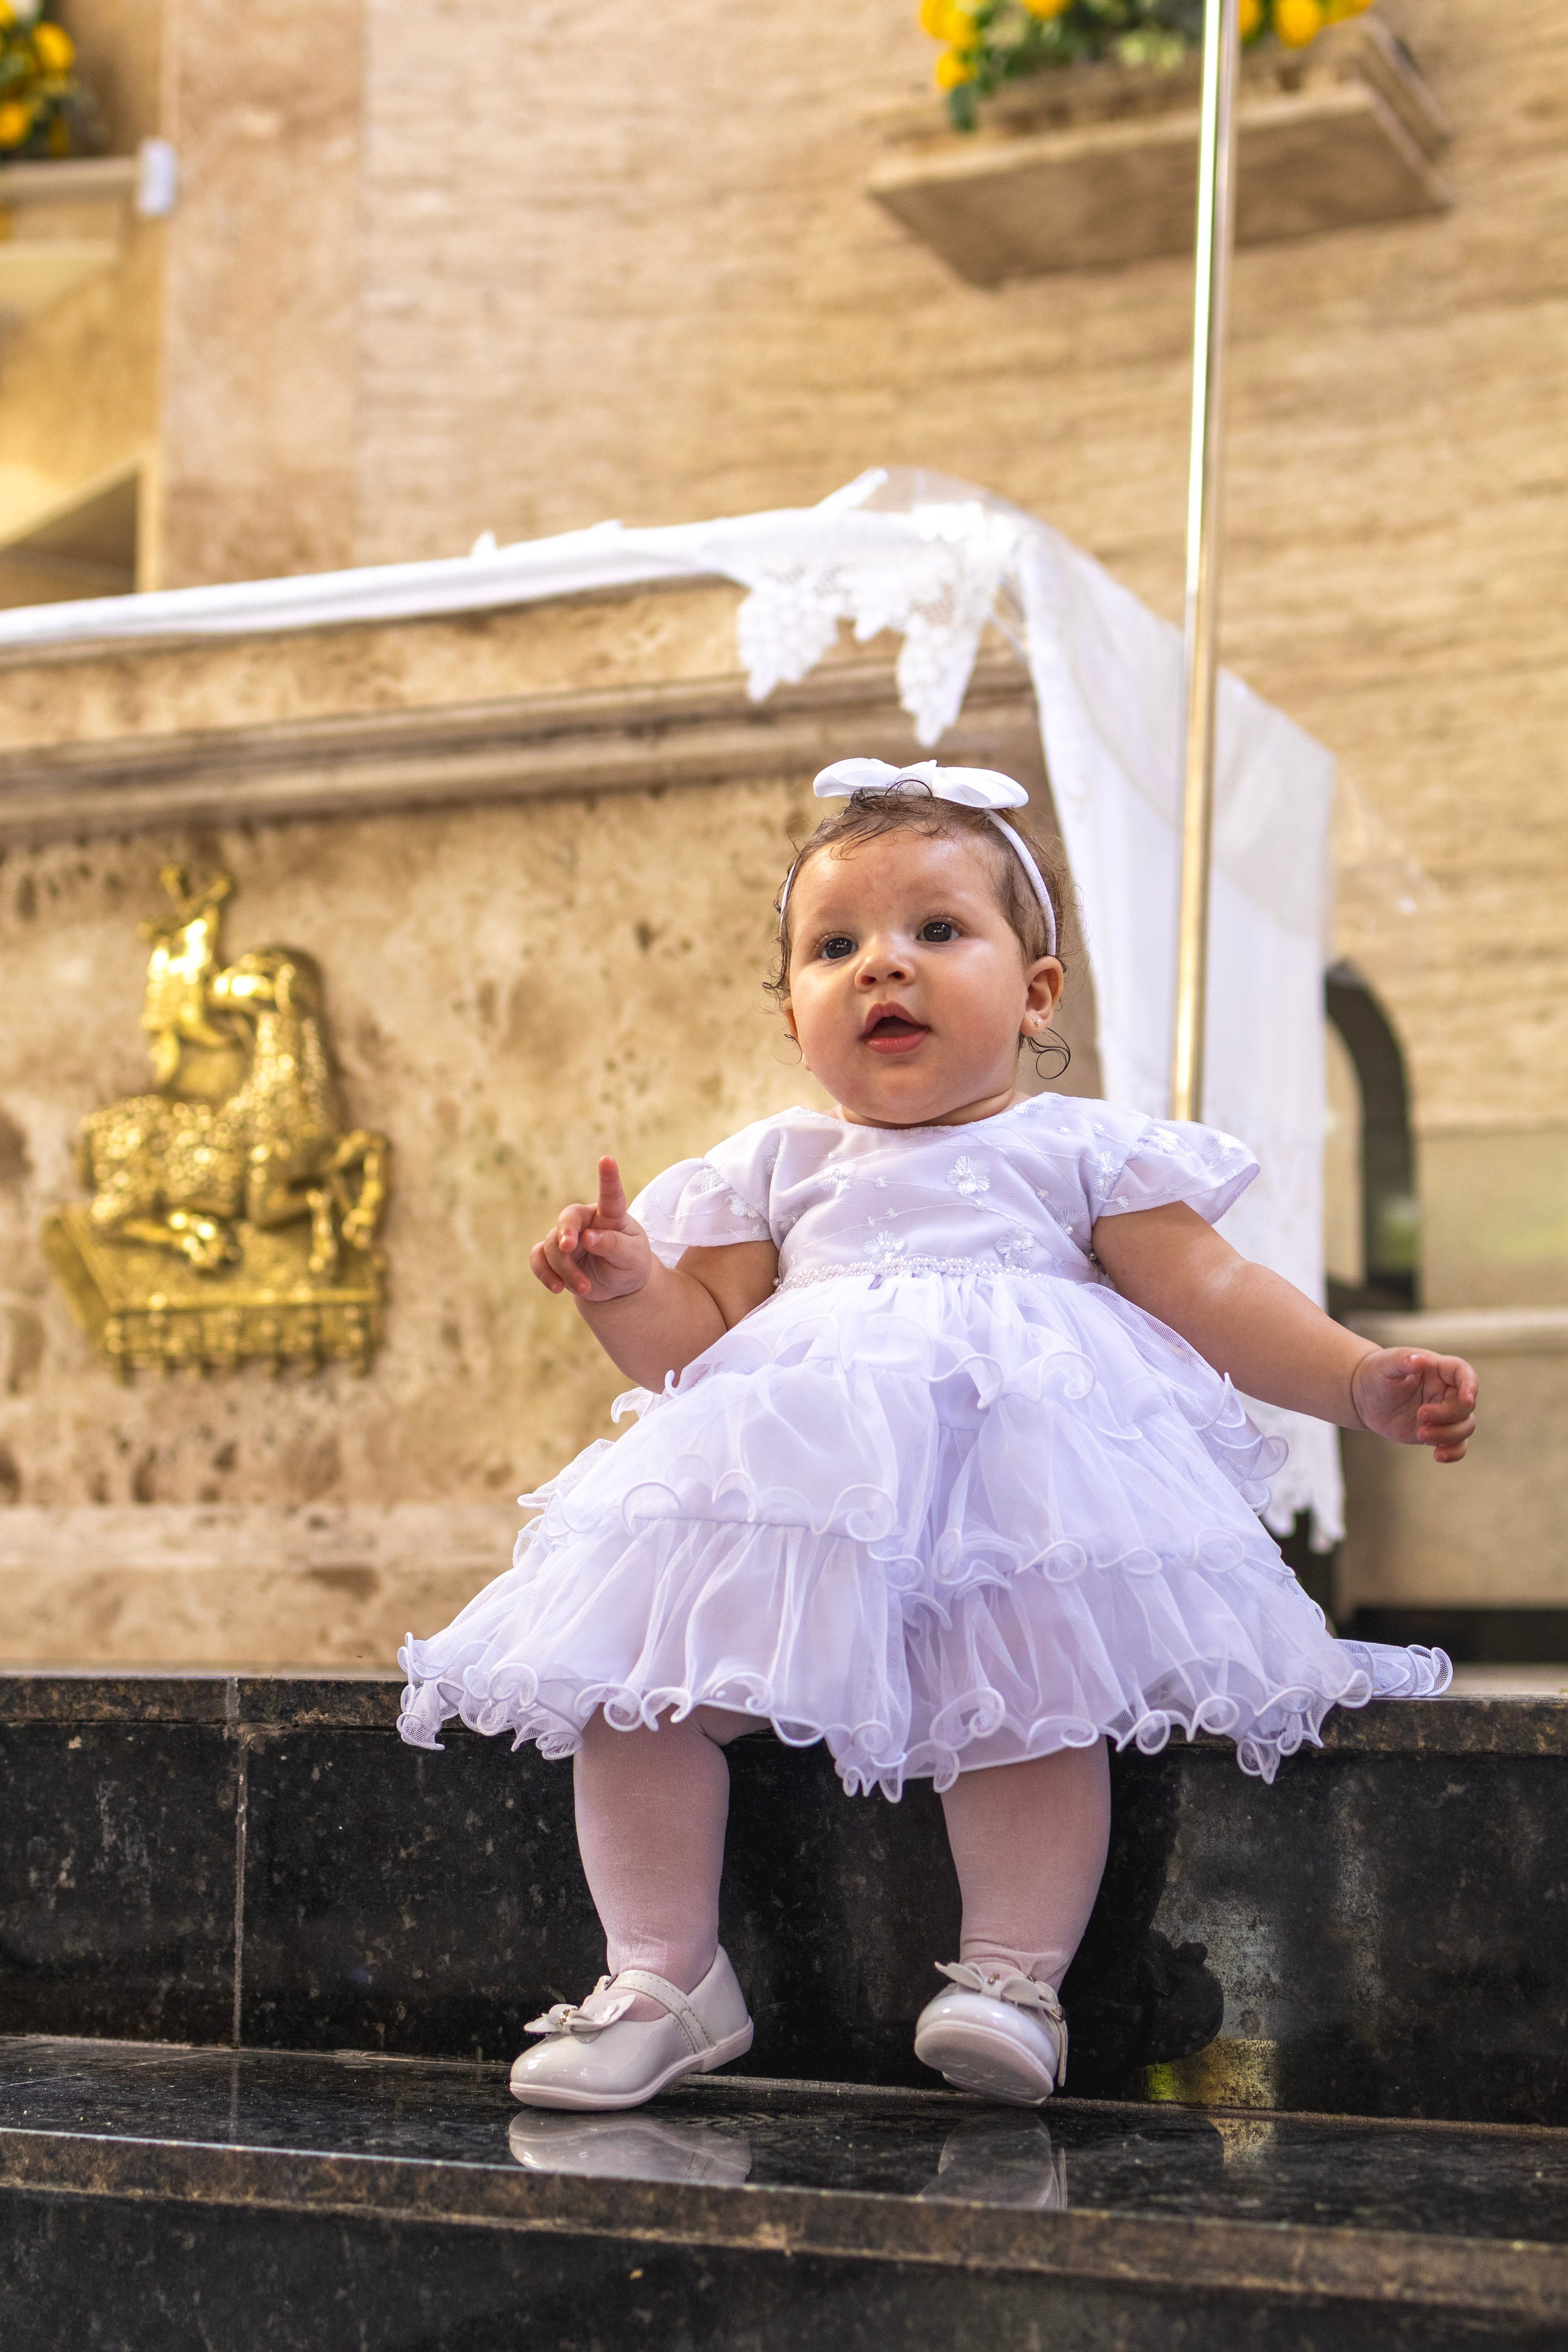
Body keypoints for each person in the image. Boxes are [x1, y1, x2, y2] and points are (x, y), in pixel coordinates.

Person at [399, 758, 1477, 2114]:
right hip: (800, 1522)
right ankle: (662, 1976)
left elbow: (1214, 1296)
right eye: (833, 948)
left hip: (1015, 1514)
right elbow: (694, 1345)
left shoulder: (1077, 1153)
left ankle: (1011, 1980)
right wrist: (624, 1286)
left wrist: (1360, 1379)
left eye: (935, 933)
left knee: (1030, 1695)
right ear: (793, 1015)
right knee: (641, 1687)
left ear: (1035, 996)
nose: (879, 970)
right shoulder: (775, 1169)